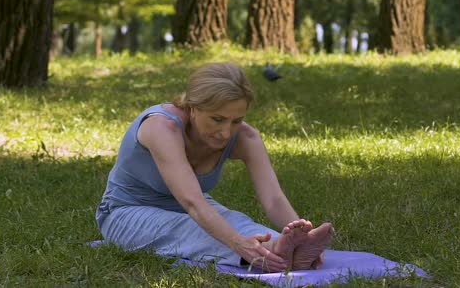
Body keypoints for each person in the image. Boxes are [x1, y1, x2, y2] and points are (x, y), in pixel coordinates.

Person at [96, 62, 334, 272]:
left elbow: (273, 199)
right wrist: (238, 244)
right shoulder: (162, 128)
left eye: (236, 120)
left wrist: (301, 233)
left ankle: (289, 249)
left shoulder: (246, 137)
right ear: (193, 107)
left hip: (188, 207)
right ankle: (273, 253)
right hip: (124, 213)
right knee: (195, 228)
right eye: (218, 119)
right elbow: (192, 202)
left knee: (237, 221)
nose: (226, 132)